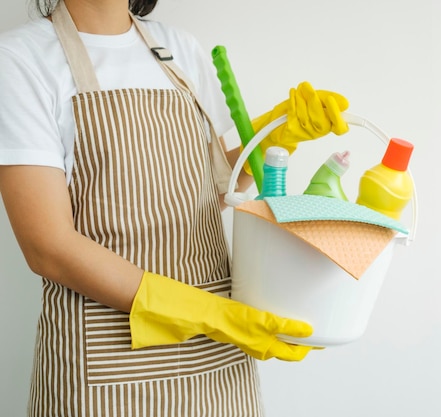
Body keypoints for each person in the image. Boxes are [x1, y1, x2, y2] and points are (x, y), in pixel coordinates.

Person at [0, 0, 350, 415]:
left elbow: (211, 189)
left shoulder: (178, 49)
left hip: (217, 360)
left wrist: (272, 138)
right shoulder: (19, 59)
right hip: (106, 369)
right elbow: (47, 246)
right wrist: (202, 312)